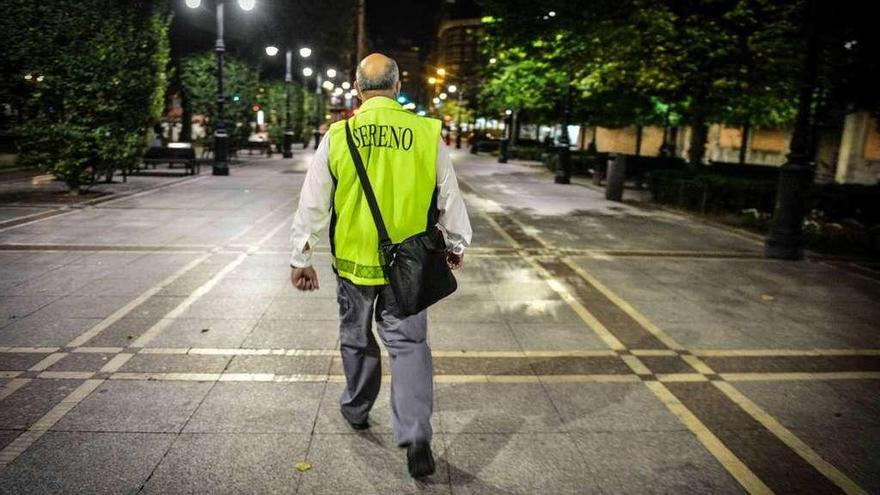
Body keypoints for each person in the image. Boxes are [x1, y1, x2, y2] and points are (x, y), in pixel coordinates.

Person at [288, 53, 472, 478]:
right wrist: (457, 243)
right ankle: (415, 434)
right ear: (397, 85)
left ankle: (356, 407)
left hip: (354, 261)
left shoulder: (340, 134)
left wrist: (302, 256)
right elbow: (449, 195)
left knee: (355, 337)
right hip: (408, 265)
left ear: (357, 88)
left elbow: (313, 201)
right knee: (408, 346)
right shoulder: (427, 134)